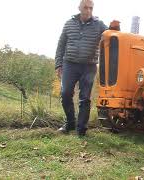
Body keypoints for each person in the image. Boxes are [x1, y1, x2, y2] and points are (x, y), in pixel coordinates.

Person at [55, 0, 119, 136]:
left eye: (91, 8)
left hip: (89, 66)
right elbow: (61, 45)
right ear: (79, 8)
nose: (88, 10)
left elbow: (111, 36)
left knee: (85, 98)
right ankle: (70, 123)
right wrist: (58, 65)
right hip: (69, 64)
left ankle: (81, 129)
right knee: (65, 94)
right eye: (86, 7)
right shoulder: (69, 23)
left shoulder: (99, 24)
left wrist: (115, 28)